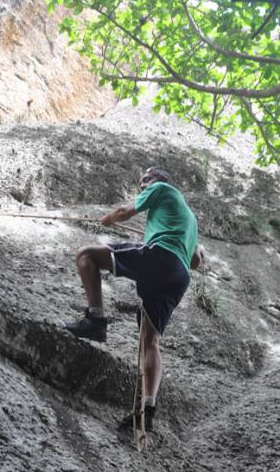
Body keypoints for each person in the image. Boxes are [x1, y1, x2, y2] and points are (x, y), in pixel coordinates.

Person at [64, 167, 204, 430]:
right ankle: (148, 408)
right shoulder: (190, 221)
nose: (143, 186)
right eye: (141, 183)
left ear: (160, 181)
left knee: (86, 255)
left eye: (146, 181)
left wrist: (107, 219)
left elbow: (124, 212)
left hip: (161, 257)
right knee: (149, 341)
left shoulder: (163, 190)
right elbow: (195, 261)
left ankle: (95, 319)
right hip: (179, 277)